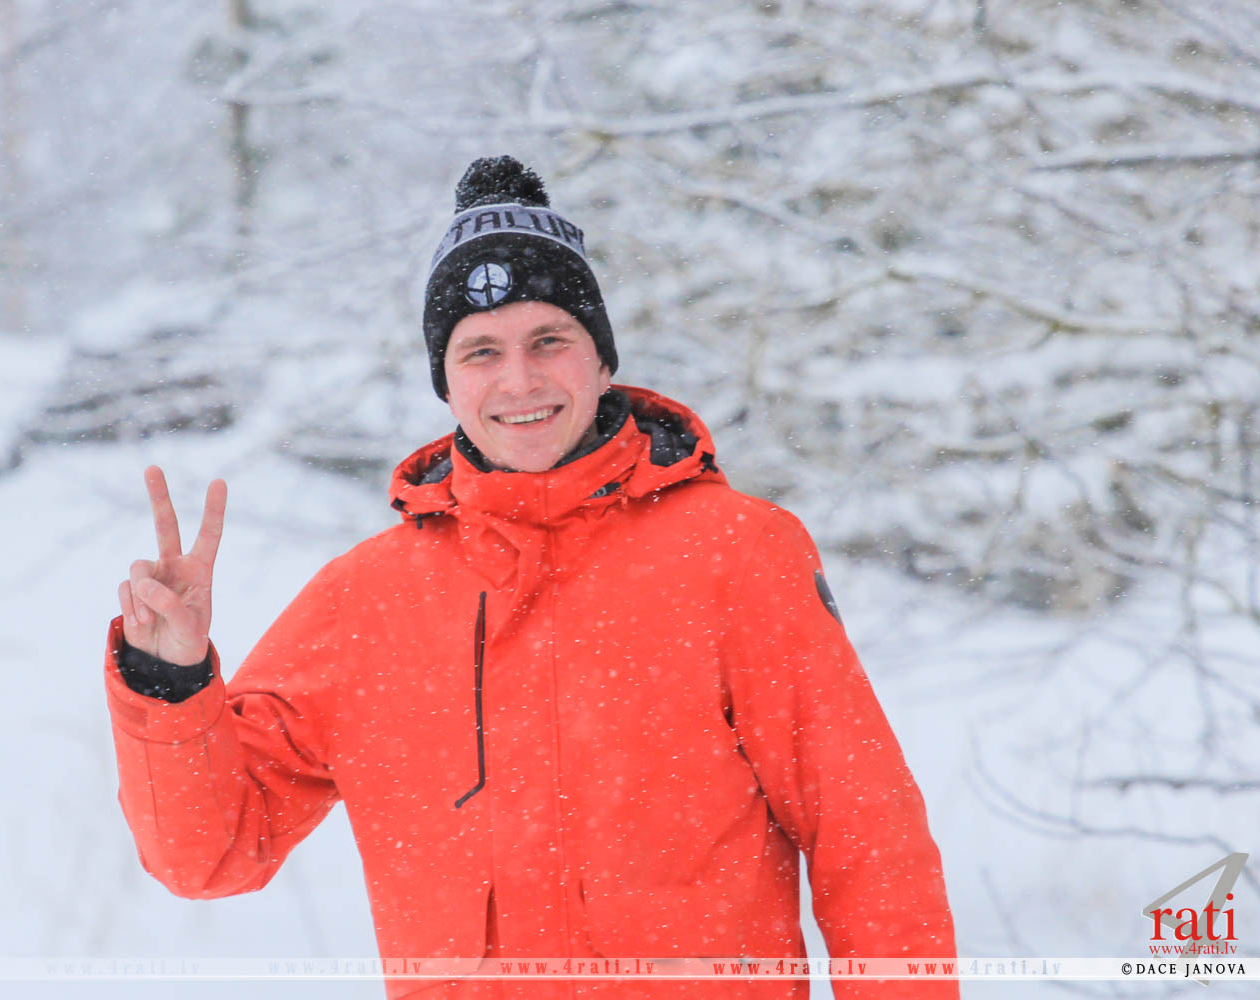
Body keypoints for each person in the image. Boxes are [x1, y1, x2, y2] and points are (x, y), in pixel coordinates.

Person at [105, 156, 958, 999]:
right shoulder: (366, 599)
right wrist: (168, 679)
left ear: (601, 360)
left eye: (549, 340)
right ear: (446, 384)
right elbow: (211, 854)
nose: (519, 380)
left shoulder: (735, 553)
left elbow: (867, 838)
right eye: (480, 352)